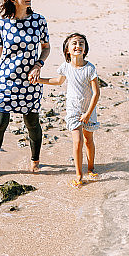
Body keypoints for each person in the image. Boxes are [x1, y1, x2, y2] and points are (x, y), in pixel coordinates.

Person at [0, 0, 50, 181]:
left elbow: (46, 47)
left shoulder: (39, 20)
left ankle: (35, 162)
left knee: (32, 122)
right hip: (5, 78)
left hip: (30, 81)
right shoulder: (3, 24)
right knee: (0, 121)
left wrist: (38, 65)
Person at [38, 32, 100, 188]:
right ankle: (79, 175)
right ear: (67, 50)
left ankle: (91, 167)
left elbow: (96, 93)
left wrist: (88, 113)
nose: (77, 46)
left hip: (88, 109)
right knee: (77, 142)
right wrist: (39, 80)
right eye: (74, 43)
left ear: (85, 49)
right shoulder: (65, 67)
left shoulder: (90, 68)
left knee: (88, 140)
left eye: (81, 43)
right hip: (73, 109)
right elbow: (57, 81)